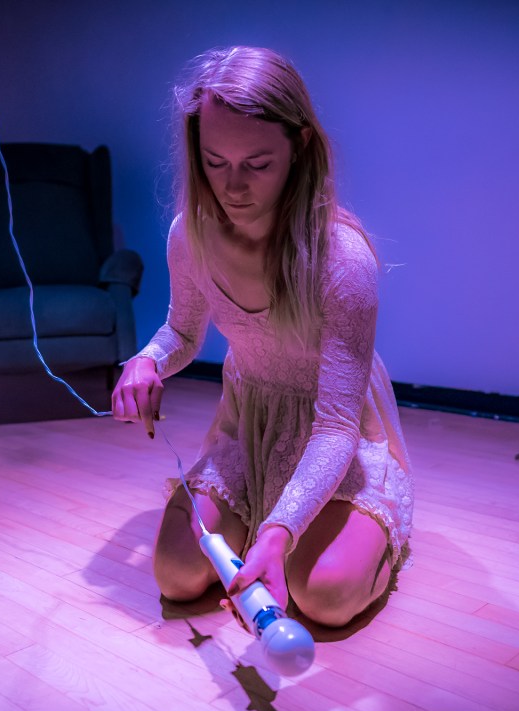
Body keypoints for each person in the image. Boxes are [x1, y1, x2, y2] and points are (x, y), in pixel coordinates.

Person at [112, 46, 413, 628]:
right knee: (176, 577)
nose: (233, 185)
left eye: (257, 163)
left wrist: (279, 532)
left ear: (299, 147)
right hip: (251, 424)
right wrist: (147, 360)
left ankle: (368, 527)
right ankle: (265, 521)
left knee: (323, 597)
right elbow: (182, 331)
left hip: (336, 434)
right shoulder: (189, 235)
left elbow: (335, 426)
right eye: (214, 161)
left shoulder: (341, 258)